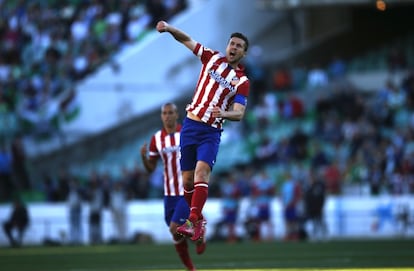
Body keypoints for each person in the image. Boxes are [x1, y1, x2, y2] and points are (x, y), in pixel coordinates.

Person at [155, 20, 250, 244]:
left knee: (201, 173)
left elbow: (239, 113)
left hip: (211, 132)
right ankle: (198, 223)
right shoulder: (212, 57)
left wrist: (223, 114)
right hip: (190, 125)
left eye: (239, 46)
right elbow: (186, 39)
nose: (233, 48)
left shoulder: (242, 81)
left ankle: (192, 221)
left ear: (243, 53)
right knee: (187, 181)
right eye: (232, 43)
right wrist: (169, 29)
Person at [140, 102, 201, 271]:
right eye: (164, 113)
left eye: (170, 113)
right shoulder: (156, 139)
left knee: (175, 228)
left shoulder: (186, 132)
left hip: (186, 190)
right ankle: (197, 238)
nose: (167, 116)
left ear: (176, 115)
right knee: (175, 233)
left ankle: (195, 234)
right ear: (161, 116)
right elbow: (151, 168)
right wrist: (144, 159)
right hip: (169, 194)